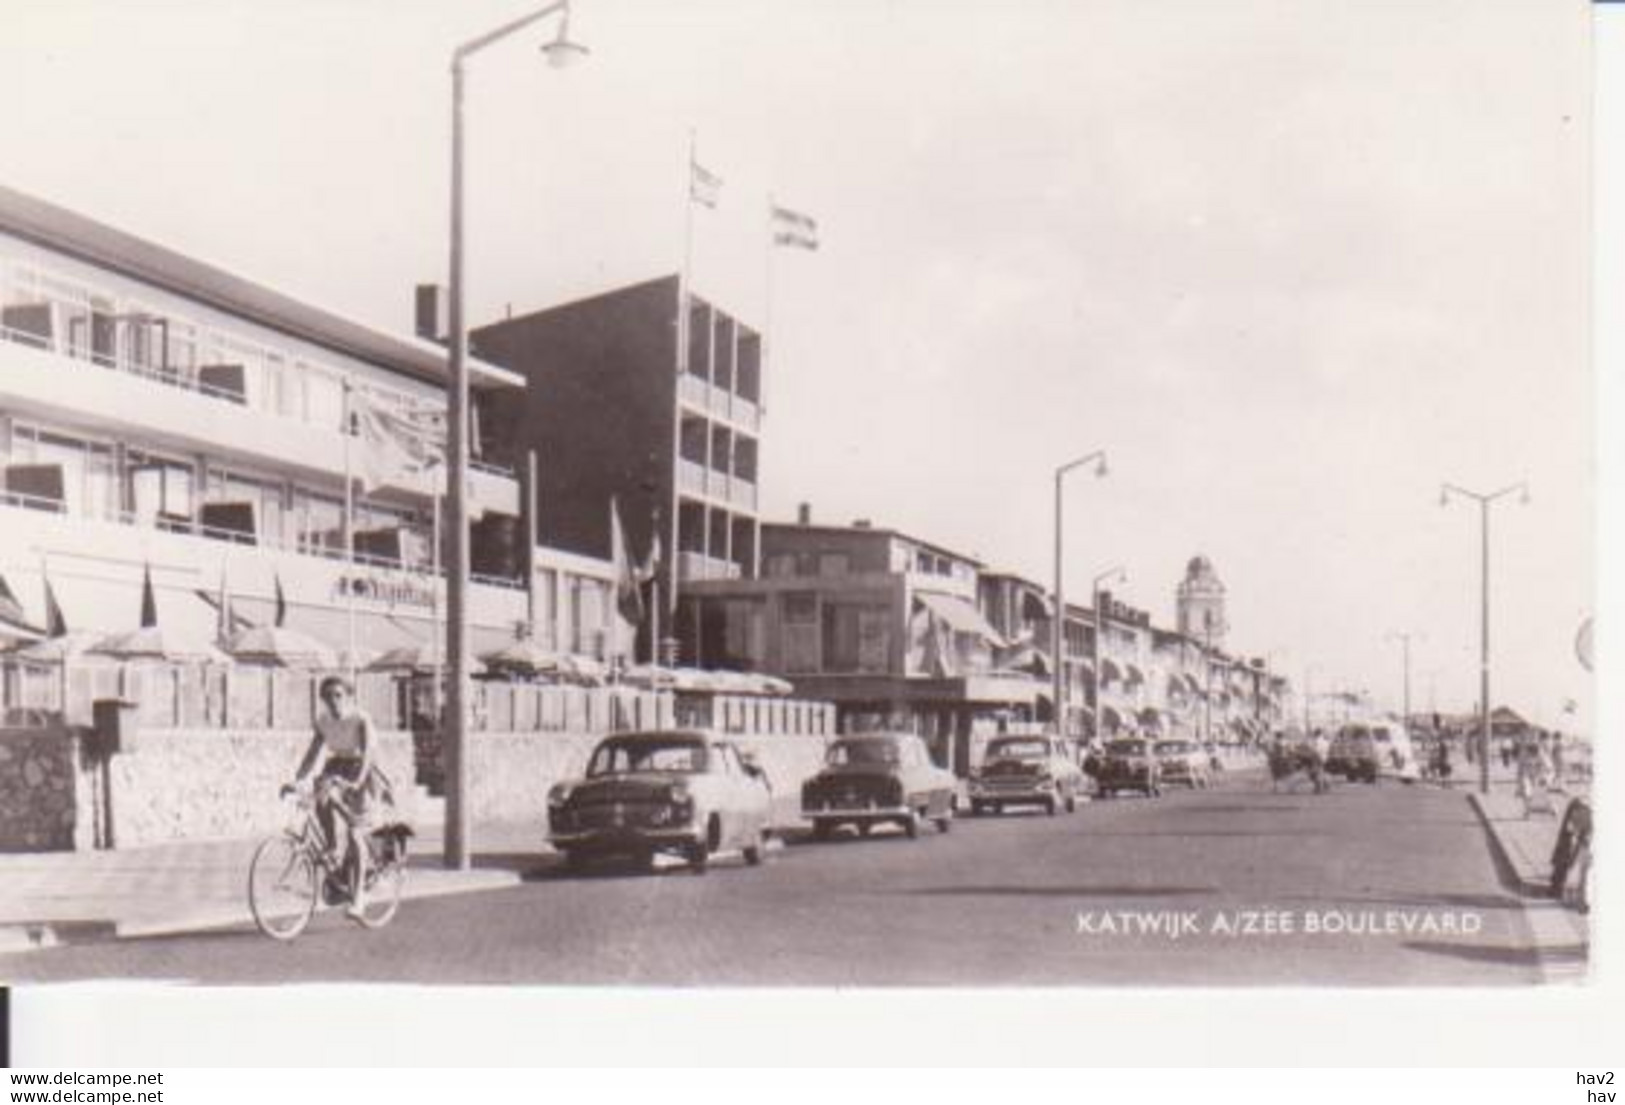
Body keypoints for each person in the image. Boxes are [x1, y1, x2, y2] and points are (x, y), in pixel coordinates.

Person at [290, 674, 379, 920]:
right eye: (327, 697)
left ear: (349, 697)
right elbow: (312, 753)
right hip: (337, 764)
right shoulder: (324, 721)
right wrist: (297, 780)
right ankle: (331, 846)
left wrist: (357, 782)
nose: (333, 701)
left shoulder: (360, 719)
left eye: (338, 695)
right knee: (320, 791)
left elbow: (369, 754)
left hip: (362, 768)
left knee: (355, 832)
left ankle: (359, 896)